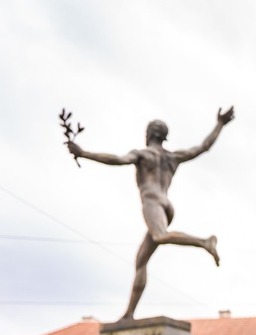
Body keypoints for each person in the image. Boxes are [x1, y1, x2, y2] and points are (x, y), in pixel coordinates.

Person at [65, 107, 235, 320]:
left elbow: (118, 159)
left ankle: (204, 242)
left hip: (152, 202)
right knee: (141, 261)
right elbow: (203, 147)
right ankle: (129, 314)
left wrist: (83, 153)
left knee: (159, 236)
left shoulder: (143, 155)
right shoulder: (173, 157)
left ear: (151, 135)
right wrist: (220, 124)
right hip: (167, 206)